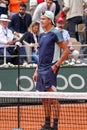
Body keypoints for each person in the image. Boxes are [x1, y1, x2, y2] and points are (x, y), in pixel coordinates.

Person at [33, 11, 69, 130]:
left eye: (43, 19)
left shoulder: (56, 33)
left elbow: (66, 51)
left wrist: (56, 65)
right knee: (44, 98)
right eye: (41, 19)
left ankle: (55, 125)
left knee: (53, 98)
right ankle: (47, 124)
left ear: (50, 20)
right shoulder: (42, 35)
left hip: (50, 68)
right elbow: (41, 55)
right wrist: (36, 71)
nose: (41, 21)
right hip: (41, 69)